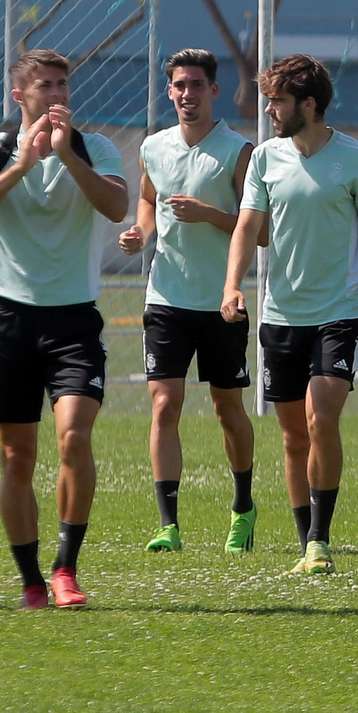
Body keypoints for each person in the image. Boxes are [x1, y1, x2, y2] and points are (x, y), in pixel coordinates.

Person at [0, 49, 129, 608]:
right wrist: (24, 165)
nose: (56, 95)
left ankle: (65, 568)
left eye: (62, 86)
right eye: (44, 86)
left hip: (74, 318)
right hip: (10, 320)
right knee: (17, 457)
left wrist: (65, 158)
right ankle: (30, 579)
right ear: (20, 95)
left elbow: (118, 206)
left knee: (74, 435)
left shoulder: (92, 147)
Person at [221, 54, 358, 575]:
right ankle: (306, 545)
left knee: (322, 418)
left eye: (278, 100)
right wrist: (232, 286)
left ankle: (321, 538)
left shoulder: (357, 160)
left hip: (336, 314)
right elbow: (247, 227)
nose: (269, 109)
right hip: (280, 316)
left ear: (309, 104)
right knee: (294, 435)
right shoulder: (266, 159)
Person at [119, 49, 258, 554]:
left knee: (227, 408)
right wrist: (141, 230)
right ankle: (168, 525)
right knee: (164, 404)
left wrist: (208, 214)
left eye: (196, 85)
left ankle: (243, 507)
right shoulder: (153, 147)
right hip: (166, 297)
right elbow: (148, 197)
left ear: (213, 91)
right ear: (169, 90)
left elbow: (257, 232)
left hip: (222, 300)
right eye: (178, 85)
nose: (186, 94)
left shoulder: (239, 151)